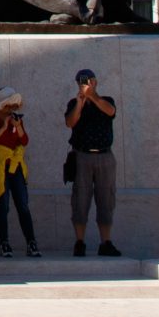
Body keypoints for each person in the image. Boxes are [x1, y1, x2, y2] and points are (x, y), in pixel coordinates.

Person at [63, 67, 121, 257]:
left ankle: (106, 242)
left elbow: (110, 111)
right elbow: (70, 122)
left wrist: (93, 97)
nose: (85, 84)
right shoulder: (74, 102)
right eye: (81, 82)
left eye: (88, 81)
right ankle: (79, 241)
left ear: (95, 82)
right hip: (82, 156)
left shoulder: (107, 100)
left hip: (104, 156)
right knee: (80, 199)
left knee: (106, 199)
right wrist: (81, 102)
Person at [0, 88, 39, 258]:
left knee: (23, 205)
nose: (13, 107)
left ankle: (31, 242)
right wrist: (4, 127)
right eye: (10, 104)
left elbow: (24, 140)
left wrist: (17, 127)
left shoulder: (16, 119)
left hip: (16, 167)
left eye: (15, 104)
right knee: (3, 206)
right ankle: (4, 243)